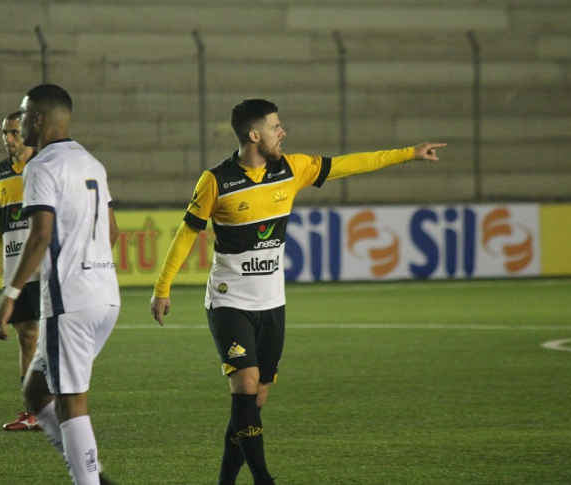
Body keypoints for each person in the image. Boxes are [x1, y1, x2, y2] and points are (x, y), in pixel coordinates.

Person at [150, 98, 446, 485]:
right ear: (254, 135)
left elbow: (348, 164)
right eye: (275, 127)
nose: (282, 132)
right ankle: (263, 479)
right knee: (245, 383)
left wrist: (408, 153)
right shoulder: (216, 181)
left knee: (253, 403)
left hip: (272, 303)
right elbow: (187, 233)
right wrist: (162, 287)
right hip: (229, 301)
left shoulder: (293, 169)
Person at [0, 84, 121, 485]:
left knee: (71, 400)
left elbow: (39, 236)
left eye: (25, 116)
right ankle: (94, 476)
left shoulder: (42, 167)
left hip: (72, 303)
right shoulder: (91, 163)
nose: (21, 122)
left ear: (40, 120)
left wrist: (9, 297)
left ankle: (89, 482)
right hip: (105, 298)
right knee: (36, 391)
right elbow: (113, 232)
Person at [0, 111, 42, 431]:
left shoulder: (44, 165)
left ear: (28, 134)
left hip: (44, 268)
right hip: (14, 268)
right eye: (4, 133)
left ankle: (58, 406)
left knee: (49, 339)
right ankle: (34, 411)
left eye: (14, 133)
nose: (8, 139)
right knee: (26, 338)